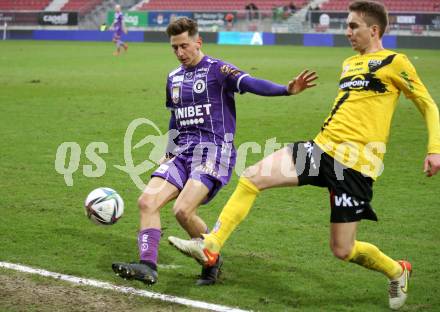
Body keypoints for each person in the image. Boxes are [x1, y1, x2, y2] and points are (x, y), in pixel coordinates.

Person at [168, 1, 440, 309]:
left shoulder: (395, 62)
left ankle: (396, 269)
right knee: (252, 177)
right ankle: (212, 245)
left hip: (355, 166)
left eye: (353, 26)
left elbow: (427, 104)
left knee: (343, 249)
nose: (347, 31)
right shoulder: (350, 64)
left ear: (373, 29)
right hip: (322, 148)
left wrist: (434, 150)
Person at [112, 17, 318, 286]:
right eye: (174, 48)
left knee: (182, 210)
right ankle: (147, 266)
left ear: (198, 42)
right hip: (182, 151)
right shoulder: (173, 78)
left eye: (184, 46)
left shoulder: (218, 70)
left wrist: (286, 90)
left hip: (214, 151)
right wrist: (169, 150)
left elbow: (251, 83)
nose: (179, 53)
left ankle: (211, 257)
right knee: (146, 202)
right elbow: (176, 116)